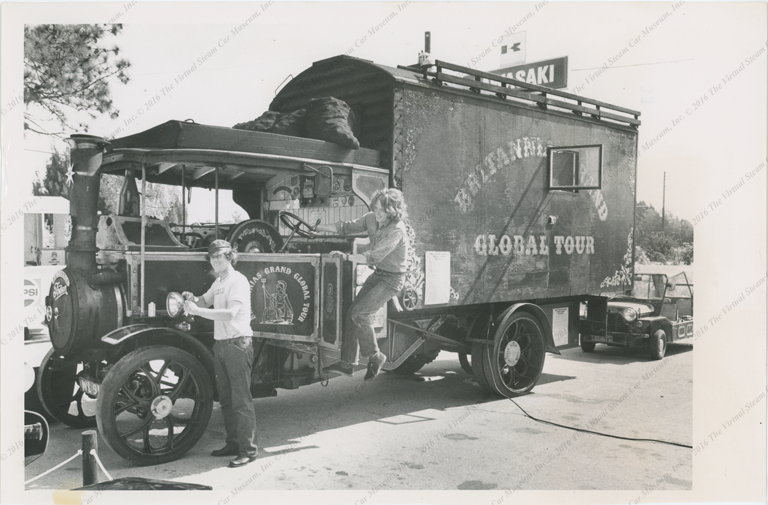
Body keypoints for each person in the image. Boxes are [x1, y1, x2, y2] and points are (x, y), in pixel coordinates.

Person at [317, 188, 409, 381]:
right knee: (353, 313)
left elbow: (373, 257)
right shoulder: (371, 218)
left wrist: (346, 257)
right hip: (378, 275)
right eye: (375, 209)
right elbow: (345, 227)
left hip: (392, 280)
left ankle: (376, 356)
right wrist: (317, 228)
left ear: (392, 210)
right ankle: (347, 364)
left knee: (360, 314)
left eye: (382, 210)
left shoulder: (397, 230)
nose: (377, 214)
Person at [182, 239, 258, 468]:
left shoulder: (238, 281)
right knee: (226, 400)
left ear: (230, 257)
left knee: (241, 401)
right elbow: (205, 300)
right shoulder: (219, 282)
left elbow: (230, 314)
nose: (214, 261)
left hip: (237, 344)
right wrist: (192, 299)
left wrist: (197, 311)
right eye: (212, 257)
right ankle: (233, 444)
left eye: (219, 256)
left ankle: (248, 451)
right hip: (222, 345)